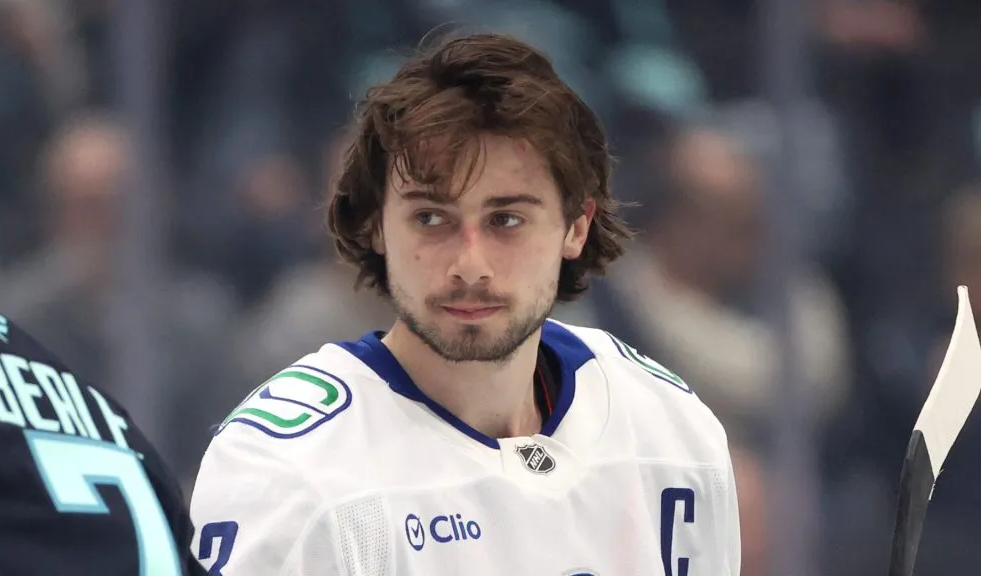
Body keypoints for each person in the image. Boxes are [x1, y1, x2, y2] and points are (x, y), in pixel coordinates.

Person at [189, 33, 741, 575]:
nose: (470, 264)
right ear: (376, 226)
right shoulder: (288, 472)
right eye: (431, 218)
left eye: (506, 219)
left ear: (576, 226)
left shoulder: (669, 430)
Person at [0, 161, 206, 575]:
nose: (100, 225)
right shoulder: (112, 425)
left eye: (114, 205)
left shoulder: (197, 321)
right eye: (82, 206)